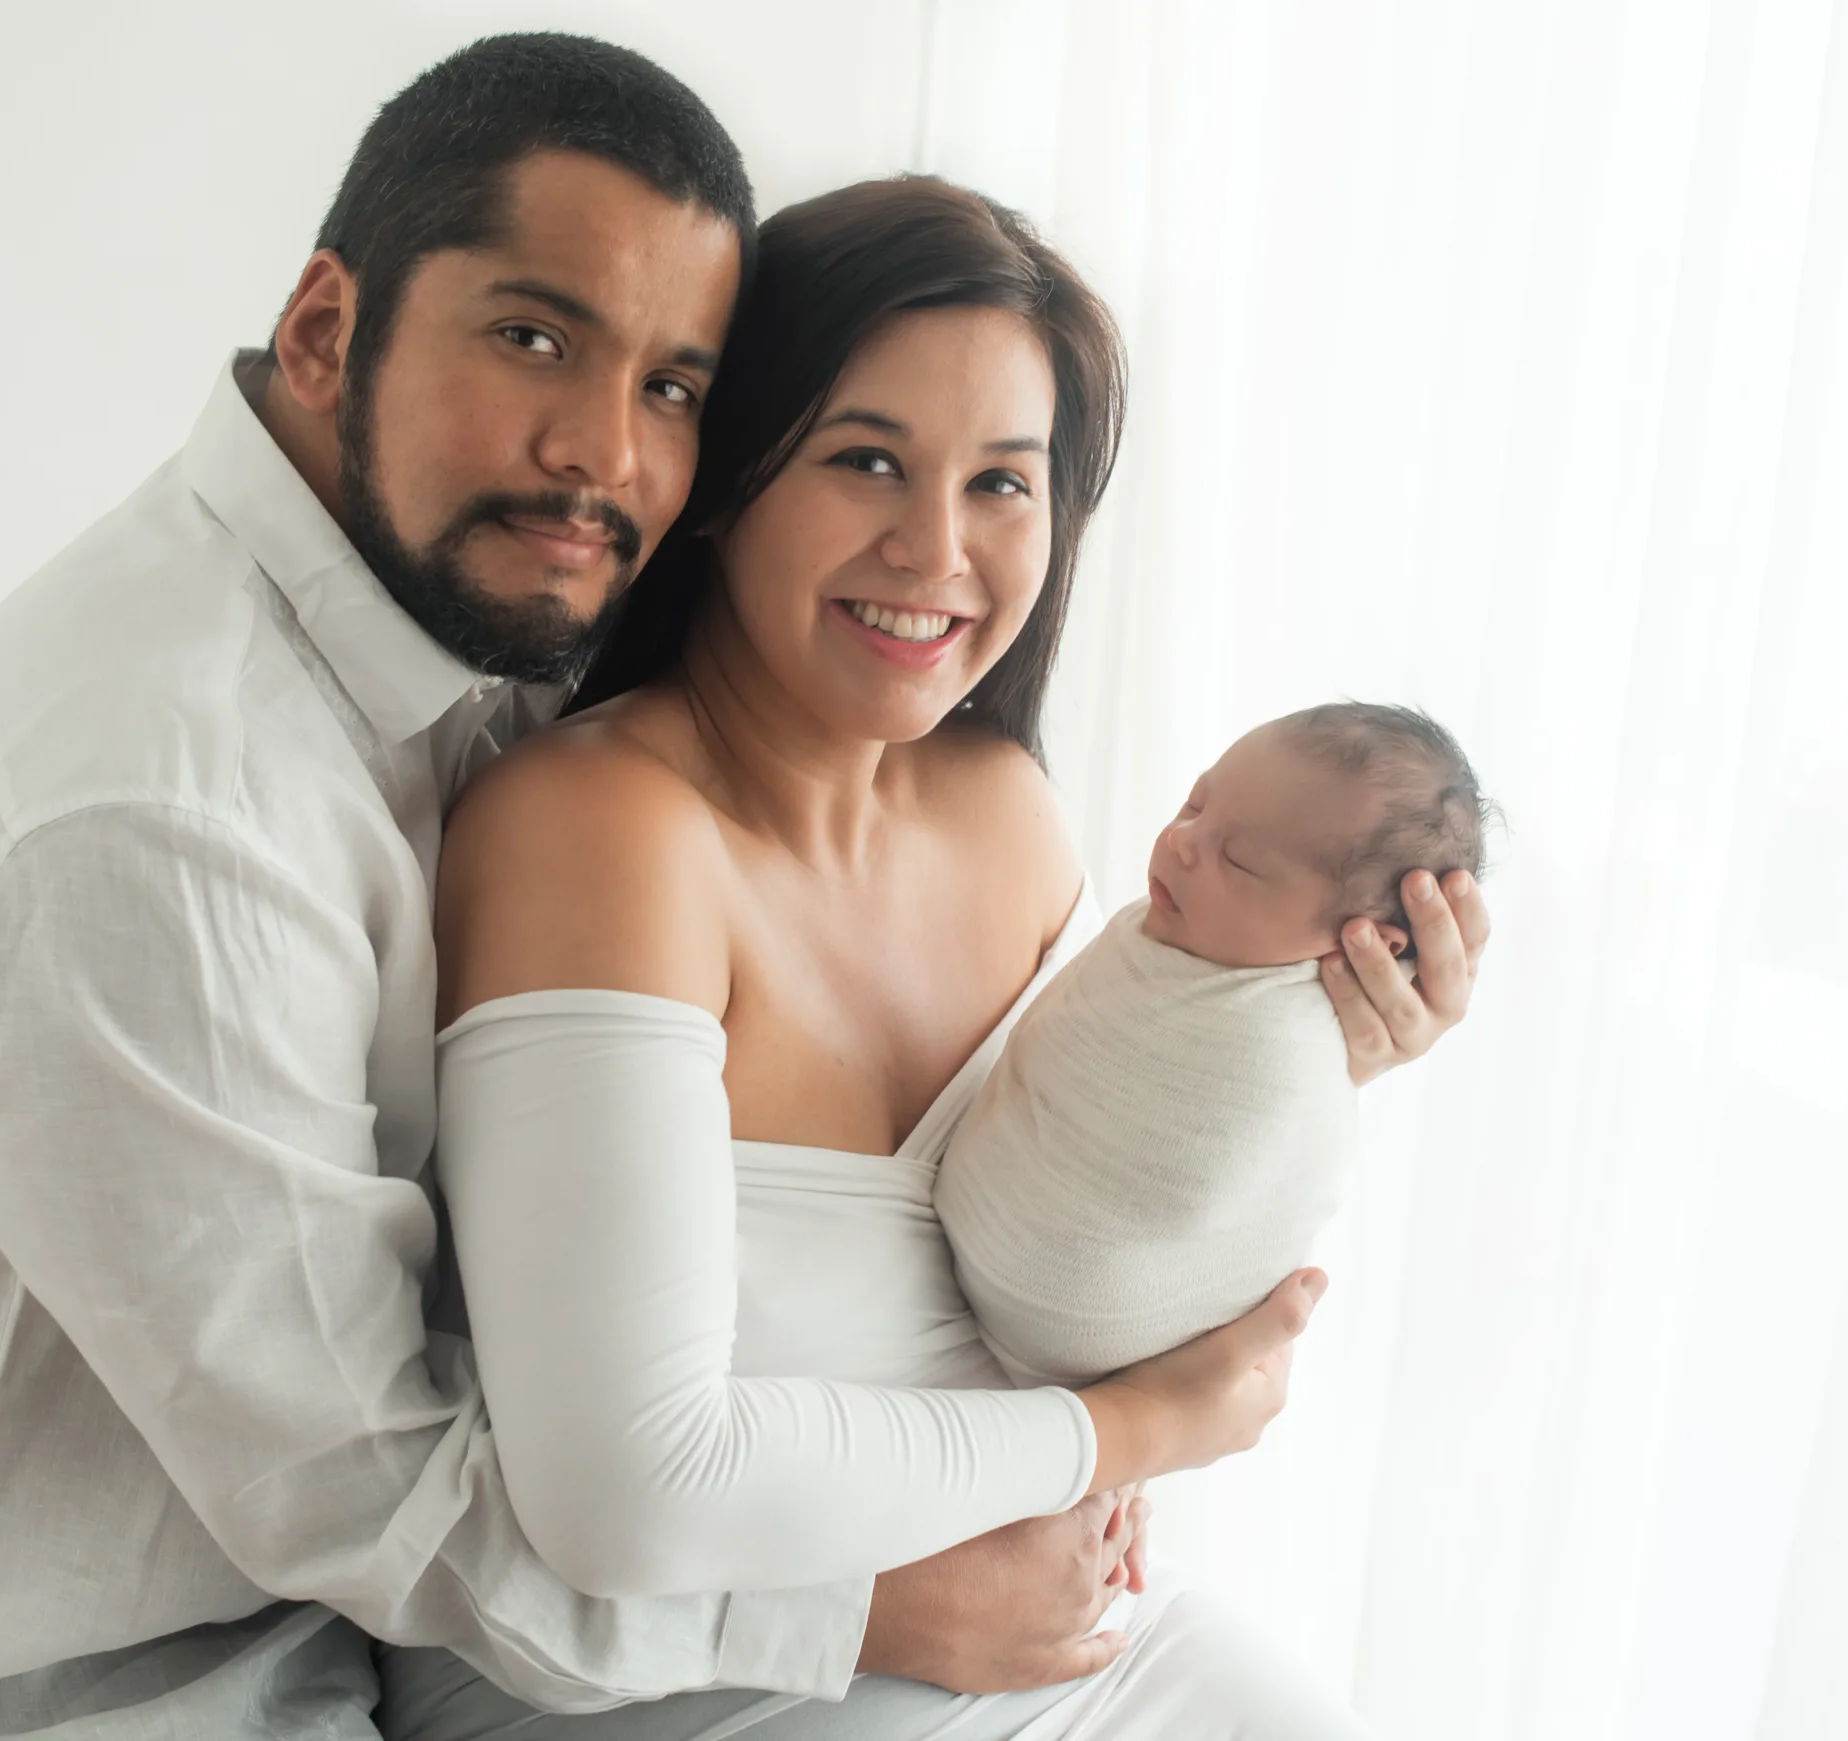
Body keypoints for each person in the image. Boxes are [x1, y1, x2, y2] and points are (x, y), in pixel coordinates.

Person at [0, 36, 1270, 1739]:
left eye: (670, 388)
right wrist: (875, 1598)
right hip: (88, 1691)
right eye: (534, 338)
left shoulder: (477, 645)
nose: (605, 454)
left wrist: (1272, 996)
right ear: (321, 331)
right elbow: (363, 1486)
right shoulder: (156, 804)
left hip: (346, 1629)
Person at [396, 177, 1490, 1738]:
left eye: (1002, 484)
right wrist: (1128, 1430)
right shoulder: (605, 832)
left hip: (1041, 1637)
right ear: (724, 477)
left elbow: (1063, 1249)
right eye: (865, 462)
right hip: (678, 1672)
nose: (936, 549)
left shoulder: (1006, 813)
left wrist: (1303, 1047)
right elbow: (630, 1496)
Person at [938, 704, 1493, 1388]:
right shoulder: (1170, 931)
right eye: (1196, 802)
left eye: (1240, 860)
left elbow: (1232, 1189)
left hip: (1083, 1353)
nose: (1181, 841)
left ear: (1370, 940)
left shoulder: (1289, 1051)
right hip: (995, 1297)